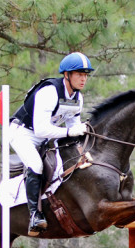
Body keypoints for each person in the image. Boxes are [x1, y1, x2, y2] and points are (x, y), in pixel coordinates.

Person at [10, 52, 94, 236]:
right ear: (67, 75)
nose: (83, 79)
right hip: (22, 132)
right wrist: (68, 132)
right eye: (79, 74)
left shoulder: (77, 98)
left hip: (45, 135)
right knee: (36, 164)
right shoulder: (49, 92)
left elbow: (73, 126)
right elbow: (41, 130)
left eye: (86, 74)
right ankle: (34, 215)